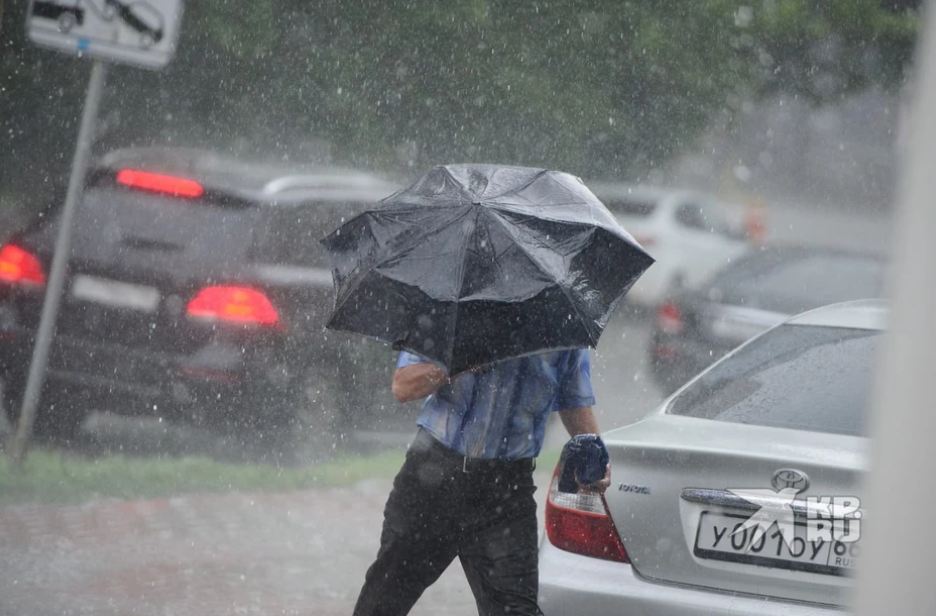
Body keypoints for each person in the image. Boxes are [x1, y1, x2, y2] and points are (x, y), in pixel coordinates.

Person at [353, 348, 610, 616]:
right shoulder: (453, 309)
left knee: (516, 610)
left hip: (507, 492)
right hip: (434, 480)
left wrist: (593, 450)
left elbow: (572, 397)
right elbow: (403, 385)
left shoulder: (557, 321)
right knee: (384, 601)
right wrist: (461, 362)